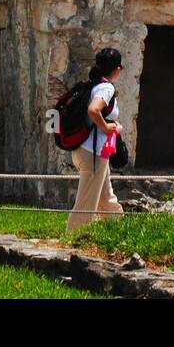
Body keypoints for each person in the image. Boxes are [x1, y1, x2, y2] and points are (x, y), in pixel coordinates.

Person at [64, 48, 126, 231]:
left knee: (106, 198)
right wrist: (107, 127)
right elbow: (93, 110)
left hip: (85, 150)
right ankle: (71, 240)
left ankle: (118, 231)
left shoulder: (92, 84)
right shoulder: (106, 87)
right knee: (86, 205)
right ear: (117, 69)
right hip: (93, 153)